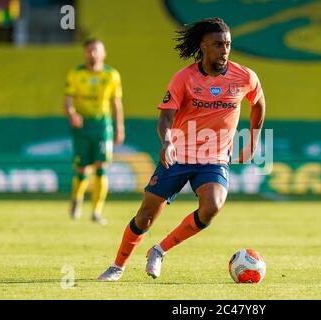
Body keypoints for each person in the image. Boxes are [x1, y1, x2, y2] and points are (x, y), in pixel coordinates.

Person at [98, 17, 266, 281]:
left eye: (228, 45)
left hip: (214, 157)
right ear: (203, 46)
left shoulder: (244, 76)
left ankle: (159, 250)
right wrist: (167, 141)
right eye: (218, 44)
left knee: (212, 207)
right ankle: (117, 267)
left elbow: (258, 102)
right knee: (146, 217)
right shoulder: (184, 78)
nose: (224, 50)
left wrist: (254, 138)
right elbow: (165, 118)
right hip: (179, 154)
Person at [64, 39, 125, 225]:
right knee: (82, 168)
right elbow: (68, 99)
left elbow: (116, 103)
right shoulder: (75, 74)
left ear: (103, 53)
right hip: (82, 126)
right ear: (84, 53)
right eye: (89, 50)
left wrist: (119, 127)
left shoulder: (111, 75)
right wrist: (72, 113)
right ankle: (77, 199)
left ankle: (97, 212)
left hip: (103, 126)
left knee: (101, 166)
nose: (92, 54)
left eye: (96, 50)